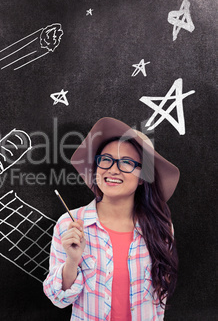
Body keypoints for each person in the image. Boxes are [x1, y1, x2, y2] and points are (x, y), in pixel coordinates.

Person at [43, 117, 179, 321]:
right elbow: (58, 299)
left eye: (127, 162)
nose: (113, 169)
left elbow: (160, 300)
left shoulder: (160, 227)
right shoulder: (70, 223)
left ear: (143, 177)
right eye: (106, 159)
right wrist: (72, 261)